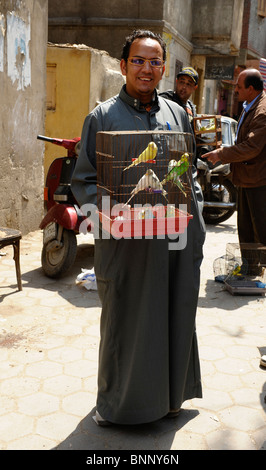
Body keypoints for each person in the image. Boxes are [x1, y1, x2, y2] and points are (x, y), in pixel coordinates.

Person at [71, 30, 205, 426]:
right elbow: (84, 181)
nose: (147, 69)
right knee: (126, 322)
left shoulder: (177, 113)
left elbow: (188, 167)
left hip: (175, 239)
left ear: (164, 67)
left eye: (155, 61)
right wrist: (107, 216)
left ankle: (170, 399)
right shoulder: (102, 116)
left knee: (175, 313)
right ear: (123, 64)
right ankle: (119, 408)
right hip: (125, 243)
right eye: (139, 61)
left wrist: (193, 218)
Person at [202, 69, 266, 257]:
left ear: (251, 89)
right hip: (247, 178)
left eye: (239, 86)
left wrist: (222, 154)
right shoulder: (251, 105)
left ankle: (257, 272)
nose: (236, 90)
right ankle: (249, 269)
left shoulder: (262, 112)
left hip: (258, 180)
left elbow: (251, 147)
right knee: (245, 228)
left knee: (259, 229)